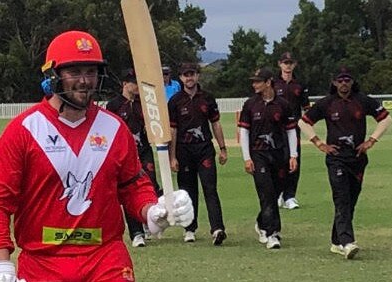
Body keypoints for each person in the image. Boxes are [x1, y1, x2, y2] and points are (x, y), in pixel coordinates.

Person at [0, 30, 194, 282]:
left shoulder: (113, 128)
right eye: (74, 71)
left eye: (91, 71)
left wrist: (153, 211)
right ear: (54, 75)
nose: (84, 81)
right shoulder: (24, 131)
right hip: (43, 263)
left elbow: (132, 185)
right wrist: (1, 265)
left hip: (104, 259)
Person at [299, 66, 392, 259]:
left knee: (351, 200)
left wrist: (371, 140)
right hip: (336, 158)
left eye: (347, 80)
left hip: (357, 158)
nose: (343, 84)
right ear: (334, 82)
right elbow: (303, 122)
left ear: (352, 82)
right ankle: (347, 242)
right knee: (341, 198)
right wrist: (319, 143)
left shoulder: (363, 101)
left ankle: (336, 241)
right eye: (340, 80)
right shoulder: (327, 103)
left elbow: (386, 119)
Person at [238, 68, 298, 249]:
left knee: (275, 192)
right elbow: (244, 132)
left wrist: (293, 155)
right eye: (254, 81)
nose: (254, 84)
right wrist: (247, 158)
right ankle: (273, 233)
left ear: (268, 82)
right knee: (266, 192)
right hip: (258, 154)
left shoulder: (283, 104)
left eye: (258, 81)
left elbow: (290, 131)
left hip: (279, 154)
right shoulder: (250, 104)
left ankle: (262, 222)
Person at [168, 62, 228, 246]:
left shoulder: (207, 98)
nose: (189, 78)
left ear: (198, 76)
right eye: (186, 75)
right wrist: (172, 156)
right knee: (188, 192)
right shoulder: (175, 101)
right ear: (180, 78)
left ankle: (217, 228)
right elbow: (173, 130)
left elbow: (215, 123)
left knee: (210, 189)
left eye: (192, 74)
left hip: (204, 149)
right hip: (184, 150)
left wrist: (222, 148)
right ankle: (189, 228)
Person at [106, 68, 161, 248]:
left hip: (144, 150)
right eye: (133, 82)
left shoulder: (143, 104)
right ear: (125, 84)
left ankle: (148, 220)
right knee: (129, 188)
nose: (137, 86)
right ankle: (136, 233)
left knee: (150, 184)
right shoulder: (114, 105)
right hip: (124, 154)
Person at [273, 52, 310, 210]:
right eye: (285, 63)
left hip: (294, 129)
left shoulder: (299, 85)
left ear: (294, 65)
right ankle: (278, 193)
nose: (287, 66)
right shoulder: (273, 83)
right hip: (275, 130)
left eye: (290, 63)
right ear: (279, 64)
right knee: (277, 161)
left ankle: (290, 196)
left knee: (294, 161)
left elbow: (306, 108)